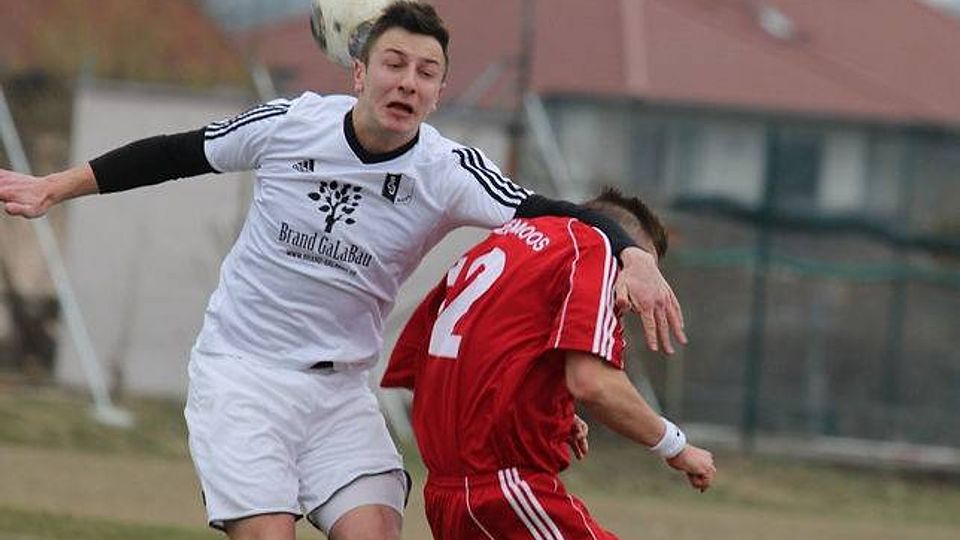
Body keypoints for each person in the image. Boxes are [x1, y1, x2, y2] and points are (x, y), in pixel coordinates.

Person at [0, 3, 686, 540]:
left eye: (426, 72)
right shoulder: (292, 124)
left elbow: (553, 216)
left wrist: (632, 254)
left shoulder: (445, 171)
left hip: (338, 392)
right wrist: (53, 187)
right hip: (242, 374)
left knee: (375, 531)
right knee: (269, 533)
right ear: (359, 73)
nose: (407, 81)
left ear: (438, 93)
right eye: (394, 64)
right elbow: (178, 152)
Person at [382, 187, 716, 539]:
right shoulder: (595, 249)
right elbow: (594, 384)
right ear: (625, 246)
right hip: (504, 489)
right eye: (646, 270)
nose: (642, 294)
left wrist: (539, 406)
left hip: (448, 491)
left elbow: (447, 360)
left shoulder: (503, 243)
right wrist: (676, 446)